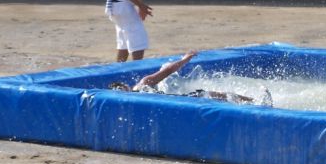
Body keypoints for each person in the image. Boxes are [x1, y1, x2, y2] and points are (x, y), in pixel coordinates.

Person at [108, 50, 271, 106]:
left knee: (211, 94)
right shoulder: (134, 97)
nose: (123, 91)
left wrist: (185, 60)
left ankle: (254, 102)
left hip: (180, 101)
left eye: (121, 89)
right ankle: (254, 103)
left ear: (126, 86)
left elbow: (167, 71)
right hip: (177, 104)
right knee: (212, 95)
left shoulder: (141, 86)